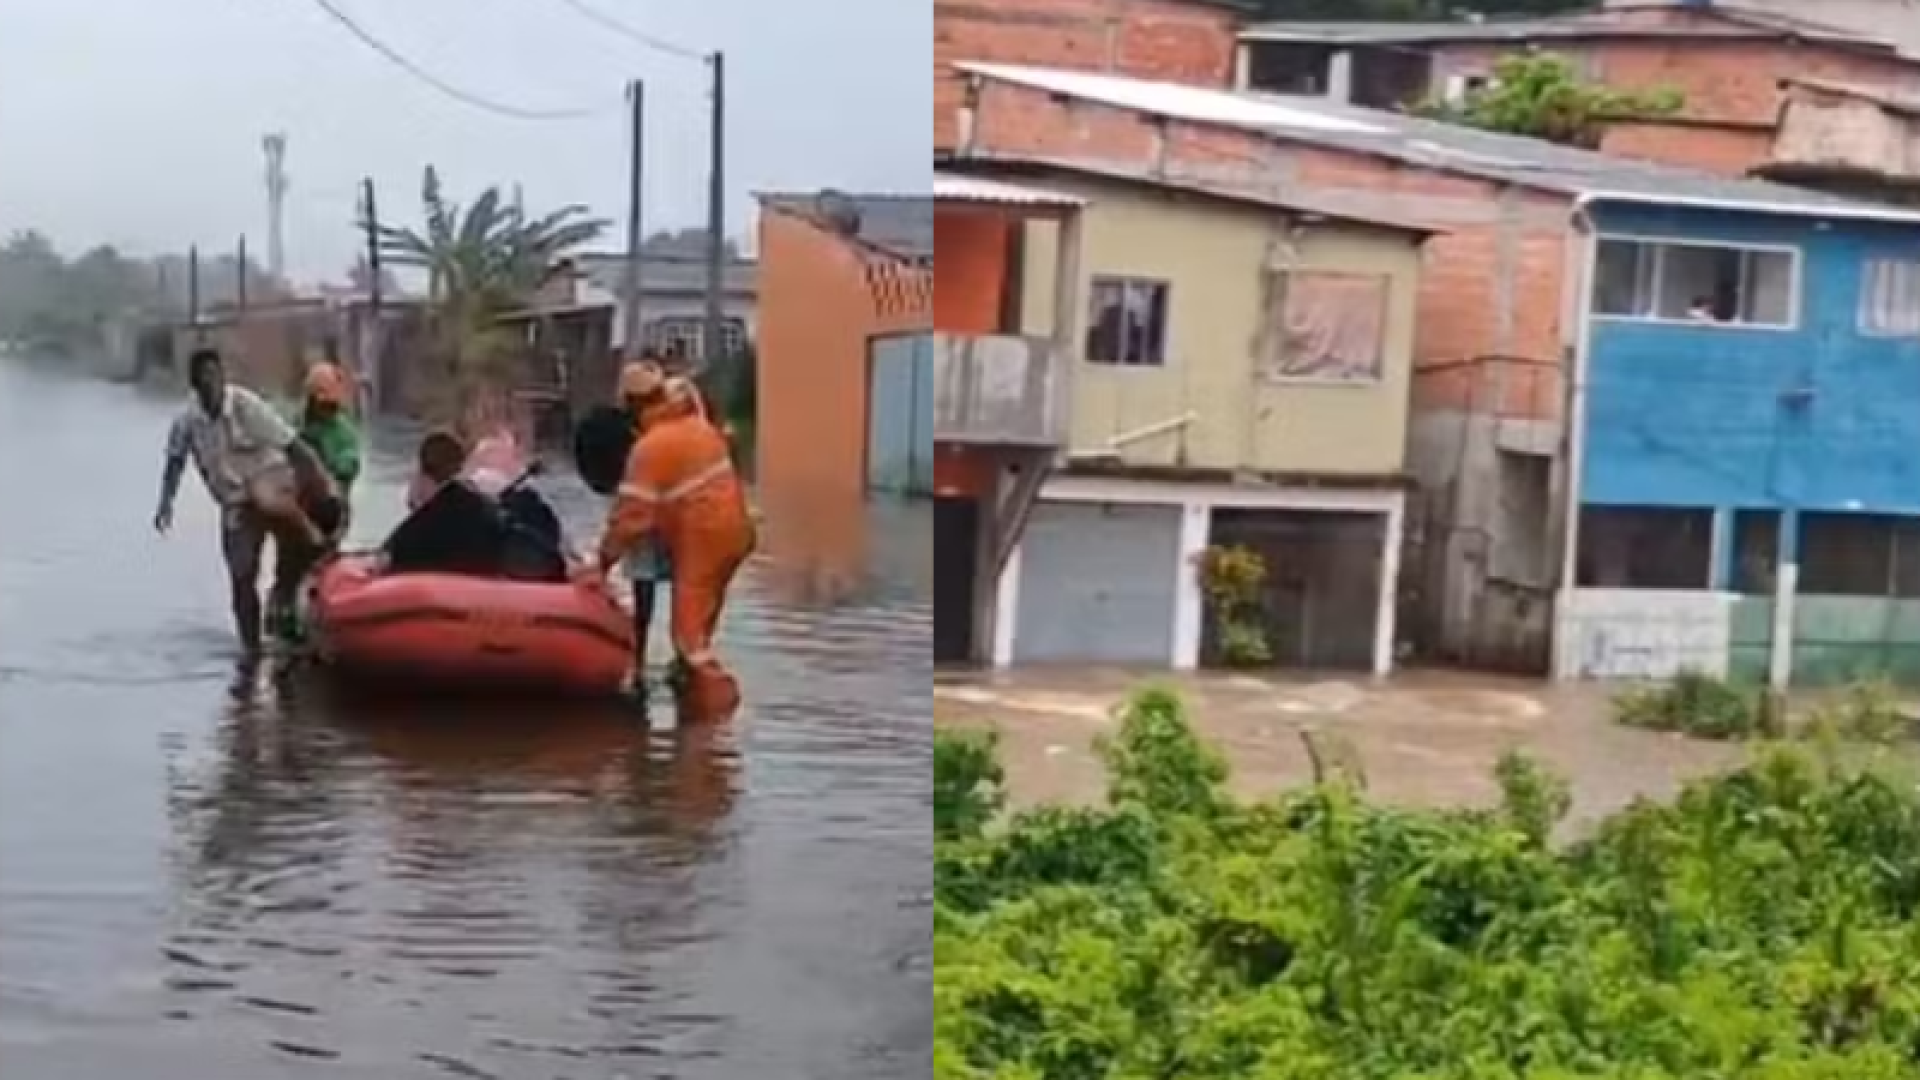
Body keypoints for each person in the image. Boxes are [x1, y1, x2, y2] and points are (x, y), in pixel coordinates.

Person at [154, 347, 339, 654]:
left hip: (273, 481)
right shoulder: (187, 422)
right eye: (204, 379)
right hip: (235, 503)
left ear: (223, 378)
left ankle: (314, 542)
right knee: (241, 578)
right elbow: (175, 463)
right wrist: (165, 504)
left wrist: (325, 487)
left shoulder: (244, 405)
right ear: (195, 385)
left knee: (265, 502)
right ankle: (251, 650)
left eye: (216, 376)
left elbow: (293, 445)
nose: (212, 385)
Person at [595, 382, 755, 712]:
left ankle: (711, 722)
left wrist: (600, 562)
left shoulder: (652, 447)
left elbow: (632, 518)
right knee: (702, 623)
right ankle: (686, 685)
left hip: (702, 538)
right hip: (736, 532)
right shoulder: (696, 426)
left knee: (687, 636)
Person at [296, 361, 360, 540]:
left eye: (329, 405)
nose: (324, 410)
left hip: (333, 506)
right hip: (300, 508)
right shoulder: (298, 427)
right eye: (320, 404)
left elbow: (351, 465)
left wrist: (330, 464)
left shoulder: (343, 431)